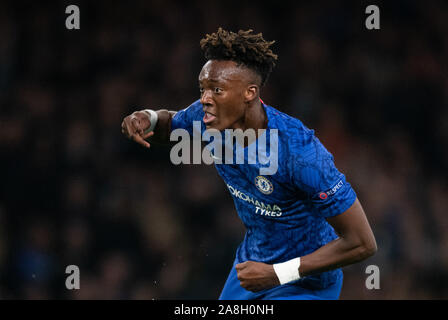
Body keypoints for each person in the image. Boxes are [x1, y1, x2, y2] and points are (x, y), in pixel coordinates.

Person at [121, 28, 377, 300]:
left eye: (217, 90)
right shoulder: (207, 118)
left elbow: (362, 243)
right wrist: (146, 118)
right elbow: (171, 125)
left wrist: (278, 274)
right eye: (203, 89)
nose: (205, 99)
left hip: (305, 282)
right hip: (251, 268)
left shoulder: (300, 153)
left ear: (249, 93)